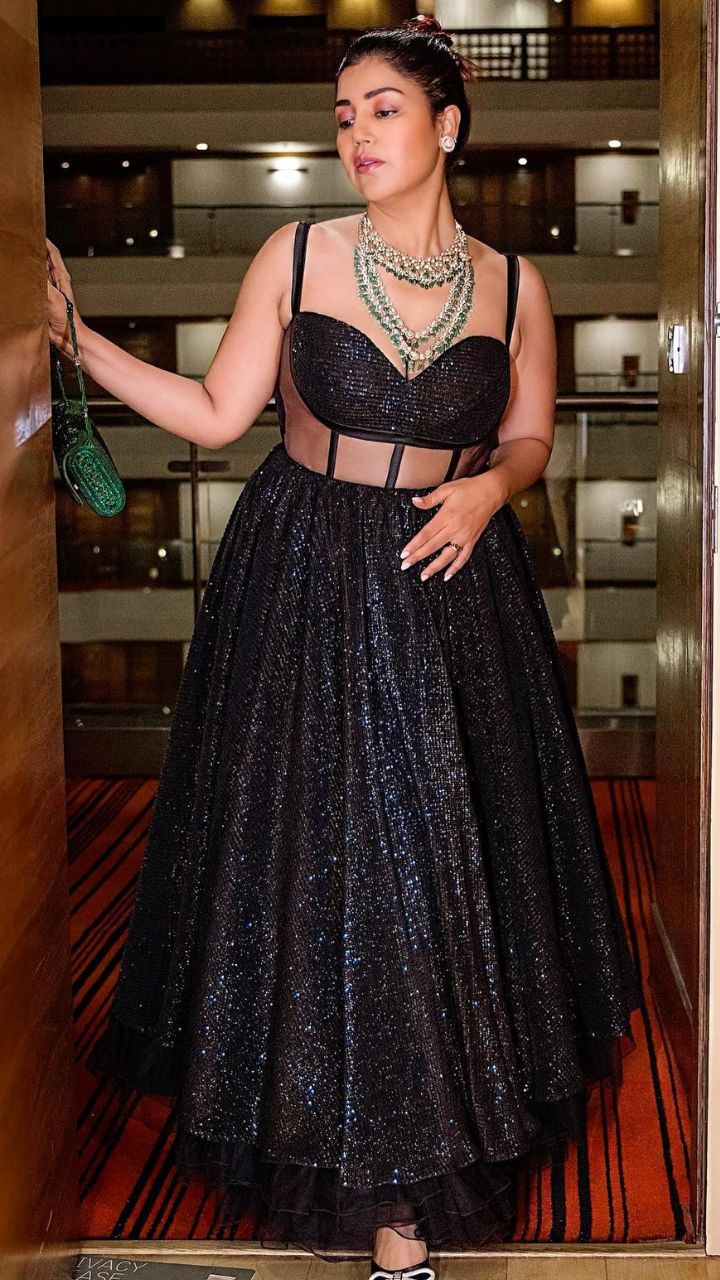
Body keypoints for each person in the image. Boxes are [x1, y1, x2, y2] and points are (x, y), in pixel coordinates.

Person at [47, 16, 640, 1279]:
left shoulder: (516, 284)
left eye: (381, 108)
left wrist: (489, 492)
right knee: (340, 867)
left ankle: (410, 1185)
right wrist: (76, 339)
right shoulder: (299, 252)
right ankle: (386, 1208)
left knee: (440, 860)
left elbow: (531, 436)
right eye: (343, 114)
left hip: (453, 585)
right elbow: (218, 414)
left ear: (447, 125)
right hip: (307, 577)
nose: (355, 132)